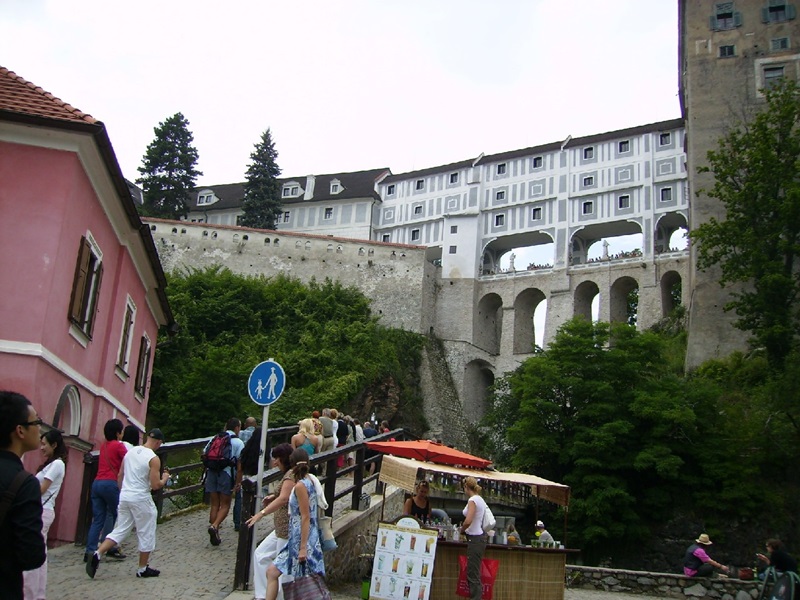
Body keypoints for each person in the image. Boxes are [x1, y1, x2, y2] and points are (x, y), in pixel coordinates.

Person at [86, 429, 170, 579]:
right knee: (146, 530)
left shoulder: (130, 453)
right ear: (158, 442)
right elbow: (155, 485)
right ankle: (142, 568)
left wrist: (122, 491)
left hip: (125, 495)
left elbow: (120, 475)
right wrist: (165, 478)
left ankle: (98, 553)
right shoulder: (153, 458)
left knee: (121, 529)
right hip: (141, 497)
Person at [0, 391, 45, 600]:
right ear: (20, 431)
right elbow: (31, 556)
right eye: (36, 422)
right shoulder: (24, 483)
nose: (40, 428)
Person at [265, 448, 325, 600]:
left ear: (292, 464)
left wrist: (303, 548)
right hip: (298, 537)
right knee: (274, 573)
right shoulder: (309, 480)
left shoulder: (301, 486)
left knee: (301, 581)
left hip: (301, 538)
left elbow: (305, 516)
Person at [245, 443, 294, 600]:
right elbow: (285, 494)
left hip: (286, 528)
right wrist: (274, 496)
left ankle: (278, 596)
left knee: (281, 566)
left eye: (277, 458)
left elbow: (285, 498)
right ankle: (263, 594)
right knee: (261, 554)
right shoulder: (288, 474)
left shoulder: (291, 475)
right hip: (280, 528)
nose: (274, 462)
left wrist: (262, 513)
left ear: (283, 458)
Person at [23, 429, 67, 600]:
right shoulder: (51, 464)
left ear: (54, 445)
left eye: (44, 444)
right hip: (42, 510)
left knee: (32, 554)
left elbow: (42, 489)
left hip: (42, 511)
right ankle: (38, 594)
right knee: (40, 555)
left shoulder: (57, 464)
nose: (41, 447)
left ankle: (30, 594)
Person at [85, 419, 127, 562]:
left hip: (97, 483)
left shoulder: (103, 446)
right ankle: (108, 546)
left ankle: (90, 550)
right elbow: (129, 460)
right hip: (110, 483)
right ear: (117, 433)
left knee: (98, 519)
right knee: (115, 514)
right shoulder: (119, 446)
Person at [205, 417, 244, 545]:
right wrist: (238, 482)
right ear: (237, 428)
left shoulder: (215, 438)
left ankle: (215, 531)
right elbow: (240, 466)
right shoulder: (238, 442)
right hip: (226, 474)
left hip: (212, 472)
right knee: (225, 504)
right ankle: (214, 526)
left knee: (214, 504)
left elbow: (205, 453)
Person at [459, 476, 488, 600]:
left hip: (474, 538)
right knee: (474, 572)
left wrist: (461, 530)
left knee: (473, 574)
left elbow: (468, 520)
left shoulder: (472, 500)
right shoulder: (480, 499)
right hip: (479, 538)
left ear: (466, 487)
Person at [233, 417, 257, 532]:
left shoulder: (240, 434)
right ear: (255, 424)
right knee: (253, 494)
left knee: (239, 495)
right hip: (254, 468)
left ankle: (237, 522)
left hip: (241, 466)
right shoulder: (258, 435)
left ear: (245, 425)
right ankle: (250, 519)